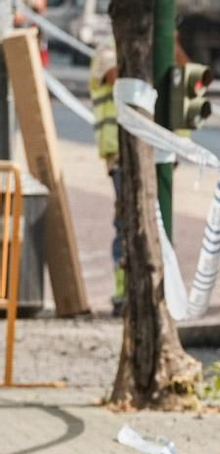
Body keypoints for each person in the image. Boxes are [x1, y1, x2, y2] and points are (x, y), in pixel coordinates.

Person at [86, 43, 124, 312]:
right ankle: (122, 294)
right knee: (127, 222)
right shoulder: (108, 48)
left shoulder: (160, 42)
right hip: (121, 154)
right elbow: (118, 80)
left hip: (158, 152)